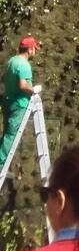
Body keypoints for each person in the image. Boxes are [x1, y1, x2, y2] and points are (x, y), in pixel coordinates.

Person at [0, 35, 41, 169]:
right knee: (11, 136)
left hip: (7, 101)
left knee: (6, 134)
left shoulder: (11, 61)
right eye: (34, 48)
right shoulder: (24, 65)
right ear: (29, 50)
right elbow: (23, 85)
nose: (35, 51)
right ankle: (0, 165)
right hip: (19, 103)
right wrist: (33, 89)